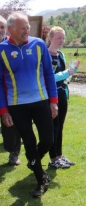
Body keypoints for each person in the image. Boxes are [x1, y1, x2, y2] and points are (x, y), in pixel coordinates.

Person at [0, 12, 58, 198]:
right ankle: (41, 179)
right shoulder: (1, 50)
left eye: (27, 27)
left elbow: (49, 74)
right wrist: (3, 111)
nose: (27, 31)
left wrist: (54, 101)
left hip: (41, 102)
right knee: (30, 143)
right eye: (22, 28)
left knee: (48, 140)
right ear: (10, 29)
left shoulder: (39, 45)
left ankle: (34, 162)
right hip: (17, 106)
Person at [46, 26, 80, 169]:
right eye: (59, 37)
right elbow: (49, 78)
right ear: (50, 38)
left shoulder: (61, 54)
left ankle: (59, 155)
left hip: (62, 94)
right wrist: (67, 73)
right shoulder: (46, 55)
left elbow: (64, 76)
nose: (61, 41)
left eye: (63, 38)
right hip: (51, 96)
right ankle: (53, 159)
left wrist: (71, 71)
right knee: (53, 127)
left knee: (60, 126)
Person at [0, 15, 22, 166]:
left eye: (1, 26)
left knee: (11, 125)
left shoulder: (12, 45)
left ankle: (14, 153)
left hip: (8, 93)